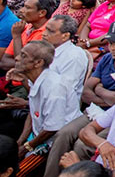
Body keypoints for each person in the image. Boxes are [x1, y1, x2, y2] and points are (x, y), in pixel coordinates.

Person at [14, 41, 81, 177]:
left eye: (23, 56)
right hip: (38, 139)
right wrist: (21, 141)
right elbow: (33, 114)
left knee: (16, 173)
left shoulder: (54, 87)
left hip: (52, 145)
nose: (17, 58)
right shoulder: (35, 80)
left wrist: (27, 147)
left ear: (38, 63)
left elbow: (52, 128)